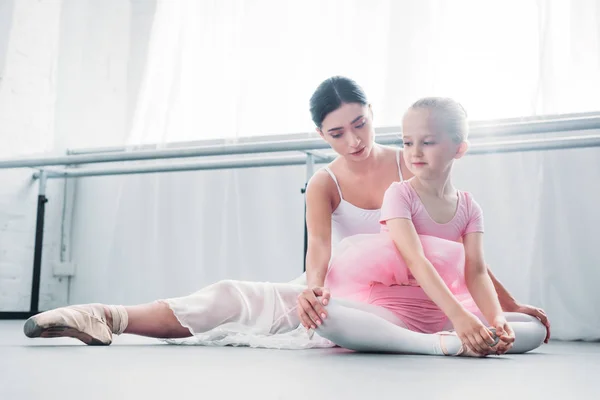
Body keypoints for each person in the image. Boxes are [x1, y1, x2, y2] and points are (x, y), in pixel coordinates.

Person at [22, 77, 550, 352]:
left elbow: (458, 256)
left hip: (425, 299)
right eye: (337, 132)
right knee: (233, 295)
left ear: (372, 117)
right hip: (343, 290)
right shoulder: (324, 181)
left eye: (360, 124)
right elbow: (318, 247)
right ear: (321, 135)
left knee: (503, 327)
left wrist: (511, 303)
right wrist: (314, 290)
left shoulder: (413, 162)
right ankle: (108, 315)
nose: (354, 139)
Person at [316, 97, 546, 356]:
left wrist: (497, 320)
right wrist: (460, 317)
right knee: (325, 318)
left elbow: (477, 272)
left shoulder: (470, 208)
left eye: (427, 142)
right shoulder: (399, 194)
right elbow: (416, 260)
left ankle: (454, 339)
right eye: (407, 143)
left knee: (533, 329)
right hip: (393, 310)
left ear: (459, 148)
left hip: (442, 312)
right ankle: (435, 344)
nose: (415, 152)